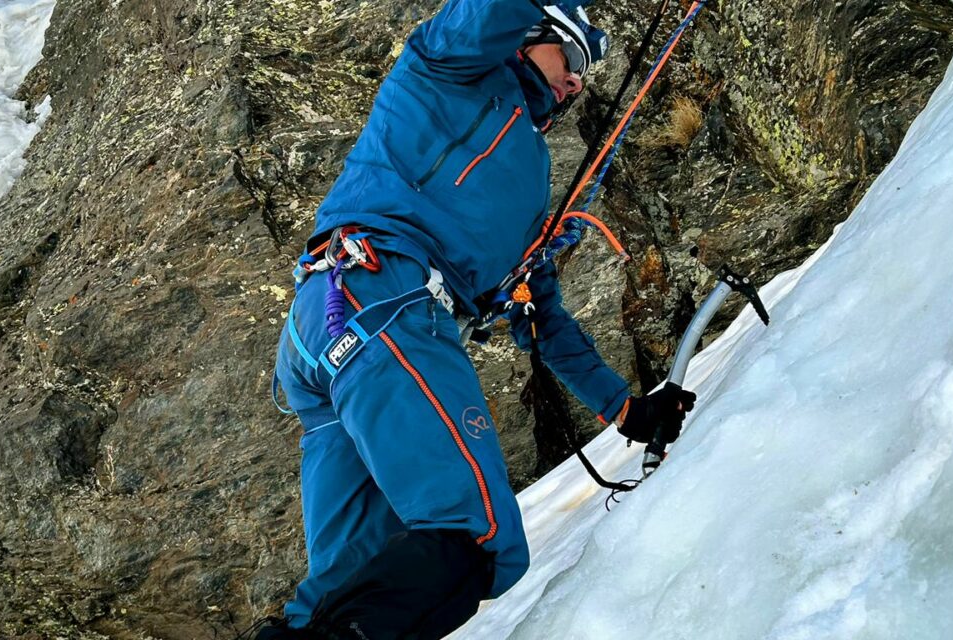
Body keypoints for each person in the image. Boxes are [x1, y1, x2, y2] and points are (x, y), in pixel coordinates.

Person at [262, 1, 696, 638]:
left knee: (351, 576)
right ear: (525, 37)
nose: (577, 81)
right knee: (475, 537)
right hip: (382, 299)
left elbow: (543, 318)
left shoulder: (530, 191)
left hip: (329, 327)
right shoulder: (447, 68)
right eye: (571, 57)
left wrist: (630, 415)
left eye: (585, 74)